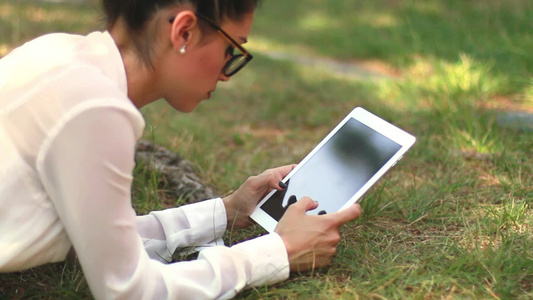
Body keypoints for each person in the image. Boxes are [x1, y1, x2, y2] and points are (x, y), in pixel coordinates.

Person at [0, 0, 362, 298]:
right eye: (230, 49)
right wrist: (278, 253)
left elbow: (101, 239)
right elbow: (129, 290)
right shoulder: (95, 110)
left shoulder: (55, 53)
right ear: (183, 31)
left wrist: (227, 212)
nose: (225, 74)